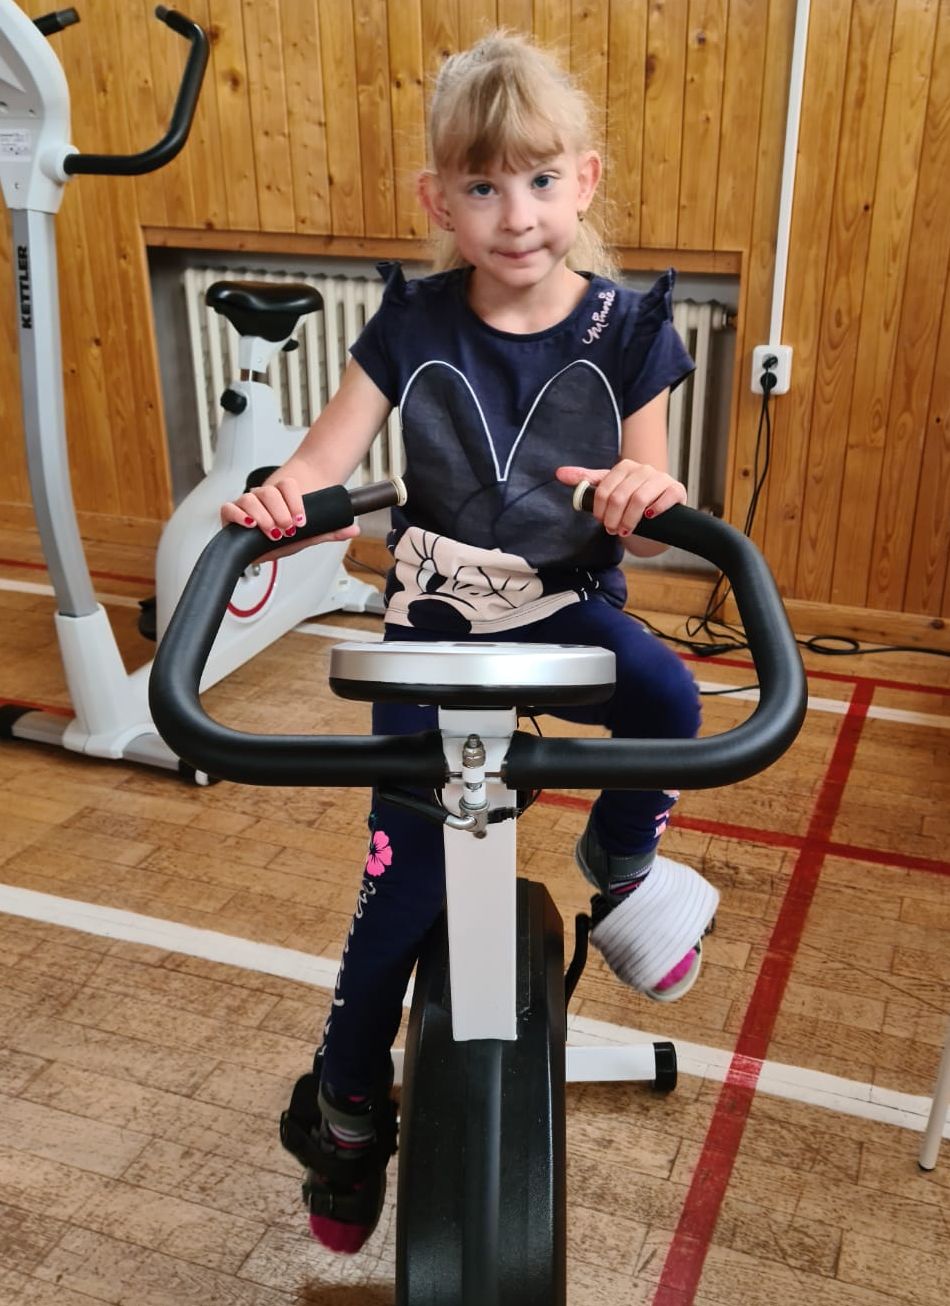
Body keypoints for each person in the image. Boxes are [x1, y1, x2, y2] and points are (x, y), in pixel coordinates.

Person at [221, 31, 719, 1255]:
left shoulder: (625, 330)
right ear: (438, 199)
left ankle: (622, 861)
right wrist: (283, 496)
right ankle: (344, 1110)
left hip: (559, 601)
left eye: (540, 180)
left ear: (583, 181)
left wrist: (638, 494)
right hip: (436, 617)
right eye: (484, 186)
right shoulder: (411, 322)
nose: (516, 215)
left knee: (668, 697)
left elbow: (652, 494)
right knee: (403, 882)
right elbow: (325, 457)